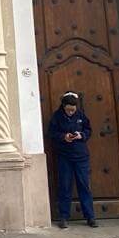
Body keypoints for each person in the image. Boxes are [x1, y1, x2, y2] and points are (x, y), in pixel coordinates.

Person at [48, 92, 96, 228]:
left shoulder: (81, 115)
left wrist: (81, 135)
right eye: (68, 109)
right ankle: (63, 216)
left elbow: (88, 130)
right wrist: (64, 137)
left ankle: (90, 216)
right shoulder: (57, 117)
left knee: (84, 186)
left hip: (81, 156)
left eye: (73, 110)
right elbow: (52, 133)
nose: (70, 112)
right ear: (63, 106)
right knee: (65, 186)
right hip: (64, 156)